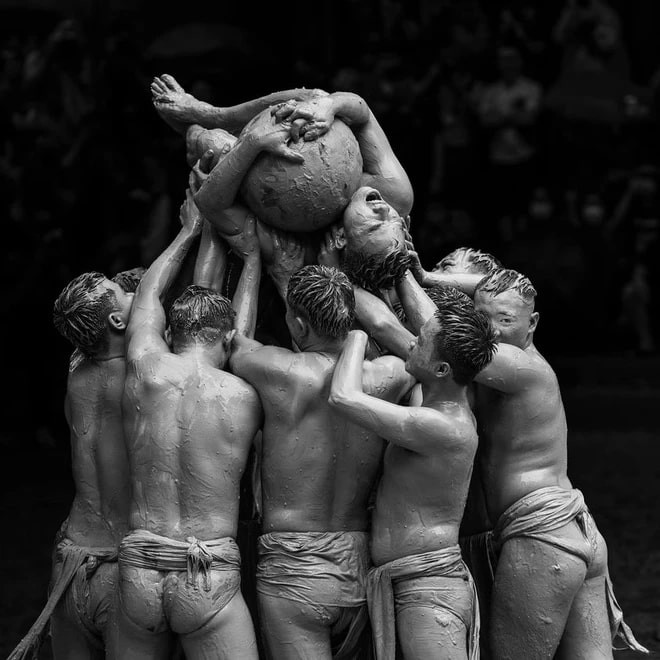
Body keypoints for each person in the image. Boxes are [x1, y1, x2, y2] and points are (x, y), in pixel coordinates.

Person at [228, 229, 416, 660]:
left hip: (294, 570)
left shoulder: (278, 371)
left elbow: (231, 340)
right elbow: (410, 344)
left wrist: (253, 260)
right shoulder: (388, 375)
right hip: (358, 561)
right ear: (350, 320)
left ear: (296, 323)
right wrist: (340, 273)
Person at [111, 181, 262, 660]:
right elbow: (242, 338)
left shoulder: (144, 367)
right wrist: (254, 261)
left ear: (172, 332)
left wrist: (188, 231)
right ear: (227, 337)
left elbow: (147, 299)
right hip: (206, 573)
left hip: (140, 566)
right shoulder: (243, 394)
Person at [470, 268, 647, 657]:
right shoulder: (510, 361)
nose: (493, 331)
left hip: (543, 535)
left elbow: (431, 344)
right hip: (574, 530)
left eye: (505, 321)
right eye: (484, 319)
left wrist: (406, 272)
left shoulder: (519, 367)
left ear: (532, 322)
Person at [328, 300, 497, 659]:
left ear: (441, 368)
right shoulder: (434, 398)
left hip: (429, 590)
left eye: (420, 341)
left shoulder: (440, 425)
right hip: (412, 583)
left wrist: (354, 335)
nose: (411, 342)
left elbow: (342, 396)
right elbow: (387, 324)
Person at [8, 267, 141, 660]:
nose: (135, 295)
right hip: (119, 565)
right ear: (116, 321)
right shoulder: (145, 375)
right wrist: (188, 234)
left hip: (70, 558)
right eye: (124, 292)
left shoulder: (76, 373)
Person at [150, 75, 414, 260]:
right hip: (308, 153)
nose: (382, 210)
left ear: (343, 237)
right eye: (392, 220)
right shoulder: (394, 193)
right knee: (318, 96)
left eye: (373, 225)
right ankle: (211, 114)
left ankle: (191, 133)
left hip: (268, 198)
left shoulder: (305, 252)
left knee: (213, 145)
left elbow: (211, 203)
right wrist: (328, 106)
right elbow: (363, 112)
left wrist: (251, 144)